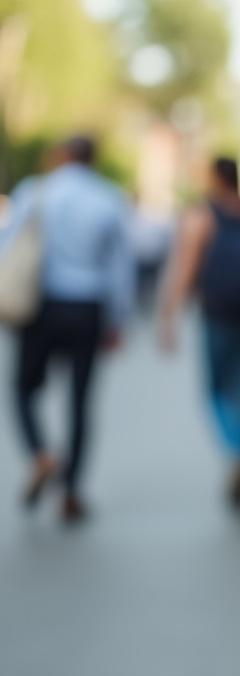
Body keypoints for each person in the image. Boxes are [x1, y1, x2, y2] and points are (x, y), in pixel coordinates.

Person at [2, 136, 133, 521]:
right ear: (94, 159)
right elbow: (119, 268)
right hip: (88, 307)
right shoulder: (108, 197)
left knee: (24, 388)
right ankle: (72, 490)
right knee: (80, 400)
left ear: (61, 156)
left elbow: (8, 243)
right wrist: (117, 320)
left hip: (41, 306)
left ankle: (40, 453)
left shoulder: (36, 191)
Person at [158, 157, 240, 512]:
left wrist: (169, 318)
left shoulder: (202, 218)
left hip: (218, 316)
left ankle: (235, 450)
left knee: (216, 390)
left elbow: (185, 270)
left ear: (215, 179)